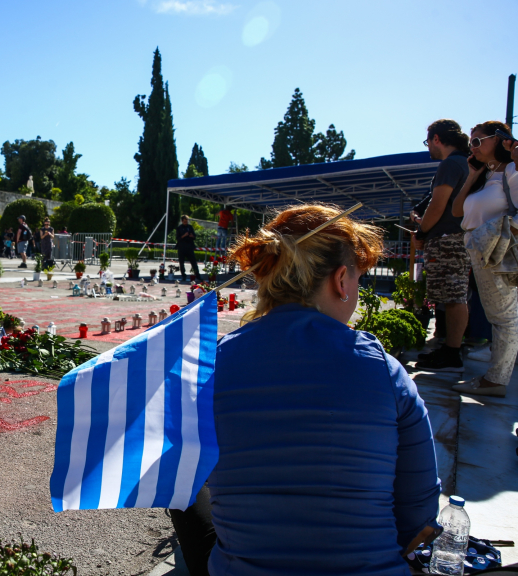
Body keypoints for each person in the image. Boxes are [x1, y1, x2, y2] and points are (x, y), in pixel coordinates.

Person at [170, 205, 441, 576]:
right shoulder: (384, 371)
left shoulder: (211, 366)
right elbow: (419, 519)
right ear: (342, 280)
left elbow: (185, 473)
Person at [451, 121, 518, 398]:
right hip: (481, 250)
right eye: (471, 142)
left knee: (504, 318)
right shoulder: (488, 175)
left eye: (478, 141)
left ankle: (496, 380)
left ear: (501, 140)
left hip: (497, 251)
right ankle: (496, 377)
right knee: (499, 316)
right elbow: (457, 211)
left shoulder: (512, 172)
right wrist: (470, 176)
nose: (473, 146)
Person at [410, 120, 471, 373]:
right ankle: (450, 348)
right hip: (458, 237)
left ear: (437, 139)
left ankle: (451, 352)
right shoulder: (466, 164)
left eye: (428, 142)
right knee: (453, 294)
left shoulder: (450, 164)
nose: (429, 148)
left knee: (454, 296)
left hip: (447, 238)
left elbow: (437, 205)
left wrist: (421, 231)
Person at [175, 215, 201, 282]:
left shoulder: (190, 227)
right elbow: (178, 238)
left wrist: (192, 236)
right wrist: (184, 235)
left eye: (186, 221)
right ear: (182, 221)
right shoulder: (179, 228)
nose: (186, 222)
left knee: (194, 262)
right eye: (184, 221)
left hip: (189, 247)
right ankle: (183, 275)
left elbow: (194, 237)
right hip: (182, 247)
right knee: (181, 263)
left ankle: (198, 275)